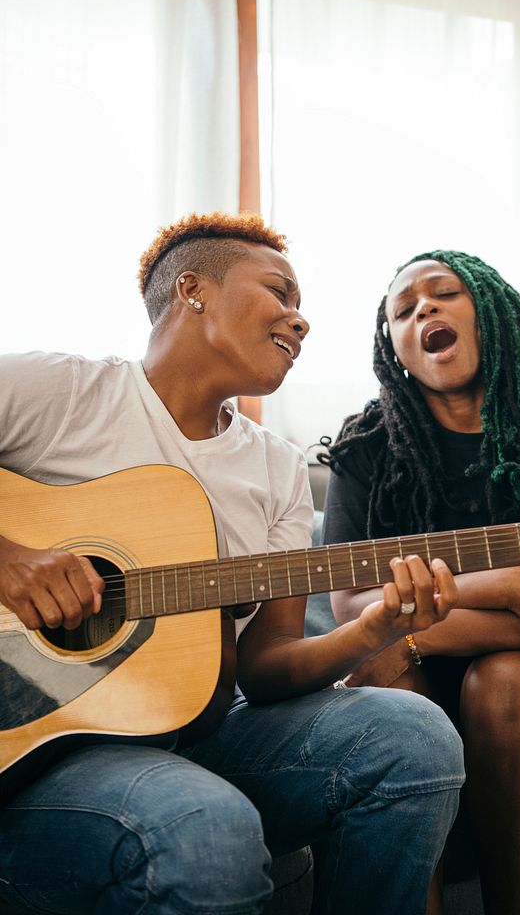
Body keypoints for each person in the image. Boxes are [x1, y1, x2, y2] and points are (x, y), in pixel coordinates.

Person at [0, 215, 465, 915]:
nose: (300, 321)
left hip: (204, 732)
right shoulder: (64, 392)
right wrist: (12, 561)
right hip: (42, 752)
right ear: (193, 290)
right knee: (203, 826)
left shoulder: (277, 467)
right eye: (279, 292)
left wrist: (373, 630)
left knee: (415, 736)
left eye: (301, 306)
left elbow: (265, 664)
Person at [322, 249, 520, 915]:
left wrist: (415, 635)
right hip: (418, 667)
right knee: (386, 691)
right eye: (402, 310)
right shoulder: (365, 447)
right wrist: (508, 583)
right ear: (395, 349)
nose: (423, 310)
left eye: (442, 295)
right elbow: (350, 605)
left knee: (502, 683)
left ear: (490, 312)